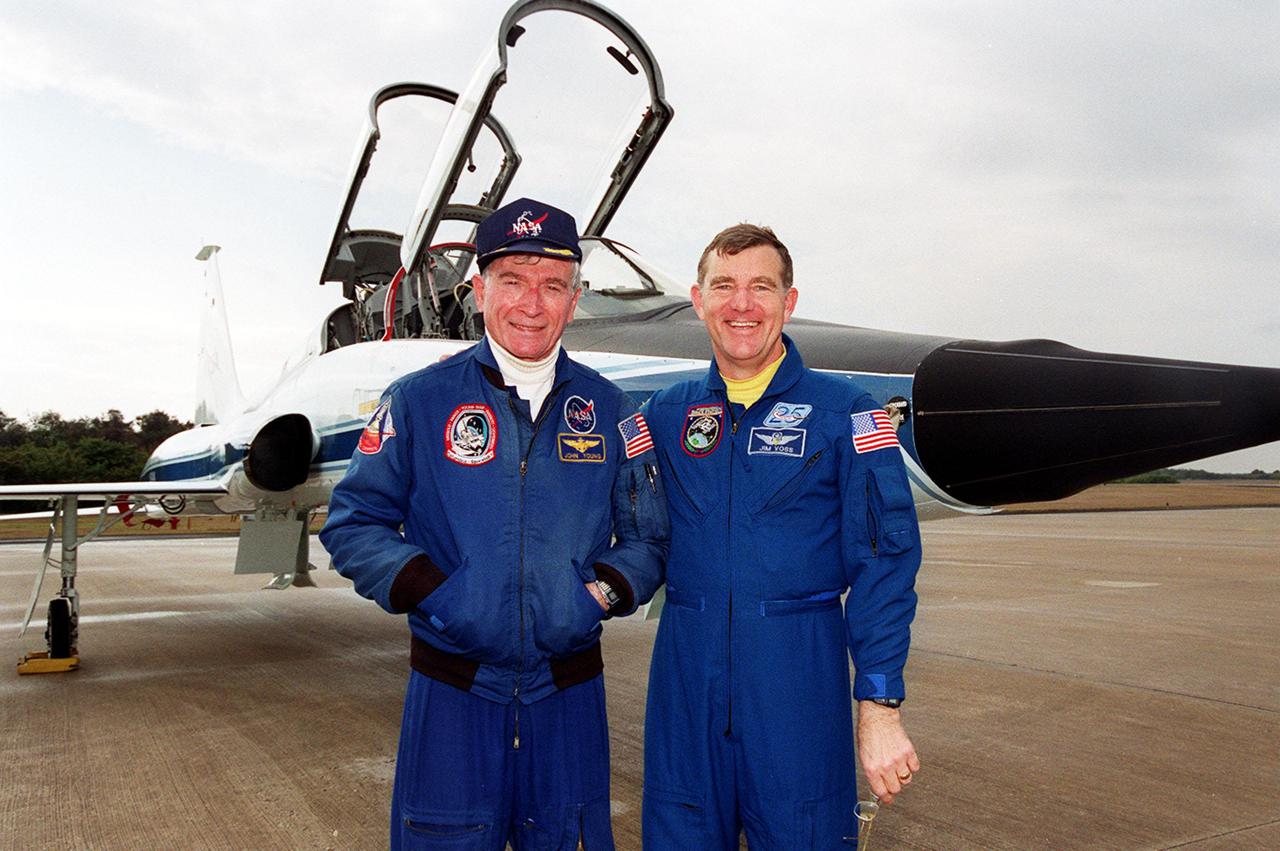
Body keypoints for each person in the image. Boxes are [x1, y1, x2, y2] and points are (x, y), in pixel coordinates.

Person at [321, 197, 668, 850]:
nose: (531, 304)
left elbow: (649, 537)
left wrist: (594, 595)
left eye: (552, 285)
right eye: (512, 281)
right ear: (479, 291)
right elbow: (354, 522)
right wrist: (441, 595)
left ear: (574, 300)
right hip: (451, 691)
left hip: (567, 695)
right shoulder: (418, 401)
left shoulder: (612, 409)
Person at [641, 224, 922, 849]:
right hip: (685, 683)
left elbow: (885, 562)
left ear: (788, 302)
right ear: (698, 300)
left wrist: (879, 706)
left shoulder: (848, 413)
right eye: (724, 286)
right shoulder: (664, 413)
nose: (741, 304)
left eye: (761, 287)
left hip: (798, 684)